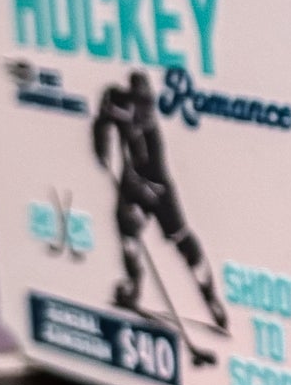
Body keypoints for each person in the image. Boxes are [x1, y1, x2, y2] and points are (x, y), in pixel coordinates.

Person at [91, 68, 228, 332]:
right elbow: (103, 120)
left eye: (147, 105)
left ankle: (209, 297)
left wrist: (136, 201)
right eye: (139, 103)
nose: (143, 111)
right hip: (132, 183)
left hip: (158, 190)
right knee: (126, 231)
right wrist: (102, 146)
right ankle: (133, 283)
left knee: (183, 241)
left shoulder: (150, 133)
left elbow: (150, 171)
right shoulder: (123, 107)